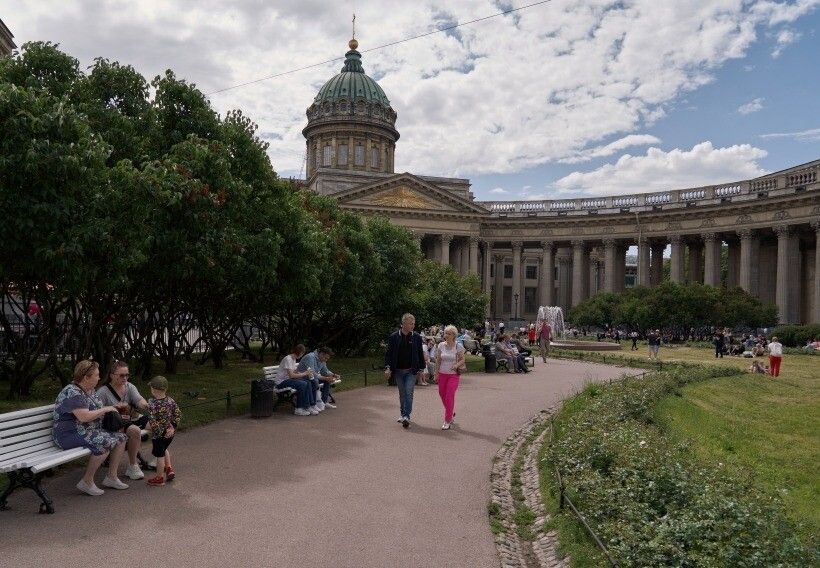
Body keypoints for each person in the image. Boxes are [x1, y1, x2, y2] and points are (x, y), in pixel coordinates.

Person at [52, 360, 129, 496]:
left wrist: (115, 410)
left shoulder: (89, 390)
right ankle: (87, 481)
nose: (99, 378)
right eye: (96, 375)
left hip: (87, 431)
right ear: (86, 377)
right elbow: (84, 417)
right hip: (68, 435)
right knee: (104, 441)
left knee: (121, 437)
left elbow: (97, 411)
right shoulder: (73, 392)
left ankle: (111, 477)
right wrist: (106, 409)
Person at [96, 360, 150, 480]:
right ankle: (133, 465)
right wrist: (115, 409)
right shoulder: (103, 392)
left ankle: (160, 455)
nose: (125, 378)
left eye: (127, 375)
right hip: (113, 424)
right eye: (121, 375)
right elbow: (96, 412)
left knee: (157, 424)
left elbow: (139, 400)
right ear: (112, 375)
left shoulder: (130, 386)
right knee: (135, 431)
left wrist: (146, 405)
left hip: (130, 419)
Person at [384, 313, 426, 429]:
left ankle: (407, 416)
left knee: (409, 393)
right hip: (398, 370)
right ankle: (403, 414)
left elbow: (419, 353)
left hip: (411, 371)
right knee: (402, 394)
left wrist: (421, 368)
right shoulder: (394, 337)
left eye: (413, 324)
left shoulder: (416, 337)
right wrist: (388, 367)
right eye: (410, 323)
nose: (413, 326)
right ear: (403, 324)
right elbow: (388, 354)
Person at [145, 376, 181, 486]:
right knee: (164, 449)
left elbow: (152, 421)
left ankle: (159, 478)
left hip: (159, 435)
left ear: (153, 389)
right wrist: (172, 428)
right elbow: (178, 414)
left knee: (159, 455)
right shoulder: (170, 400)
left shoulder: (152, 403)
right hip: (170, 433)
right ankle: (169, 468)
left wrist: (159, 433)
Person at [435, 325, 466, 431]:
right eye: (445, 333)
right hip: (442, 374)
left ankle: (448, 420)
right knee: (442, 395)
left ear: (454, 335)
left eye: (449, 333)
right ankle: (450, 411)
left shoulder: (458, 346)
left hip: (453, 375)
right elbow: (438, 360)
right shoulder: (441, 345)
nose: (446, 335)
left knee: (449, 396)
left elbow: (462, 359)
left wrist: (456, 365)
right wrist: (436, 373)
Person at [275, 344, 320, 416]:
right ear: (301, 353)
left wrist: (299, 372)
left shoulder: (293, 359)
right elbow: (291, 375)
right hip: (281, 382)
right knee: (302, 384)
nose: (302, 356)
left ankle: (310, 405)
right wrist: (304, 373)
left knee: (307, 382)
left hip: (288, 380)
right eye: (302, 354)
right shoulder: (288, 359)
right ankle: (299, 409)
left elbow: (292, 372)